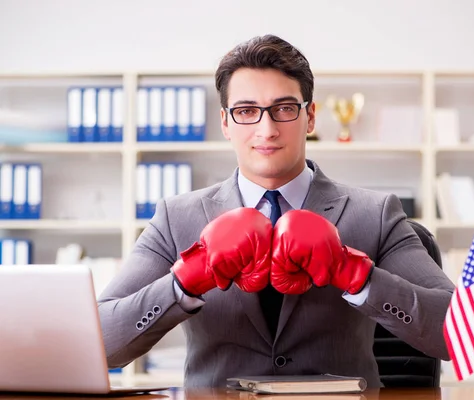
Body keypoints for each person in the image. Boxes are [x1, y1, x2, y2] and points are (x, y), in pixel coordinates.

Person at [97, 34, 455, 389]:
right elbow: (102, 345)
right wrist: (183, 283)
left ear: (310, 117)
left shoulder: (374, 213)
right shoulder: (176, 218)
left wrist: (354, 272)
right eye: (246, 111)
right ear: (226, 123)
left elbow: (461, 331)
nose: (266, 130)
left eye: (284, 109)